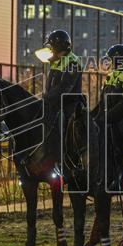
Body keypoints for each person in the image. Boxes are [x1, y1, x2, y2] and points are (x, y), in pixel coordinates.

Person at [91, 44, 123, 191]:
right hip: (111, 117)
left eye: (111, 60)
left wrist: (105, 118)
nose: (109, 63)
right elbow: (102, 103)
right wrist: (91, 117)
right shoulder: (111, 77)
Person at [41, 29, 83, 160]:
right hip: (54, 103)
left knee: (60, 122)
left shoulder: (73, 62)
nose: (50, 49)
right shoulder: (56, 61)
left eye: (51, 46)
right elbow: (51, 87)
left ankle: (62, 157)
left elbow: (64, 88)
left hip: (70, 105)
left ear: (59, 46)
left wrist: (46, 99)